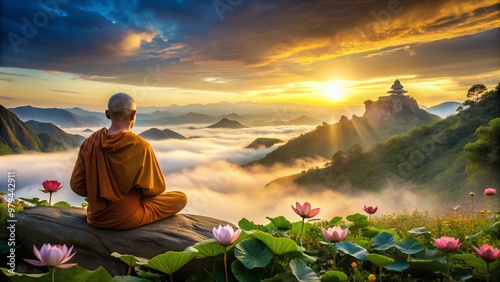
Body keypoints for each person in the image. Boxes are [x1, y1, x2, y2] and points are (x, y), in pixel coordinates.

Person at [70, 93, 187, 230]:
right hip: (127, 218)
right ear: (133, 114)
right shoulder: (140, 146)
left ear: (107, 114)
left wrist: (99, 191)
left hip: (95, 217)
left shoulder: (90, 142)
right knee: (181, 198)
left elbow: (77, 185)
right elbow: (156, 189)